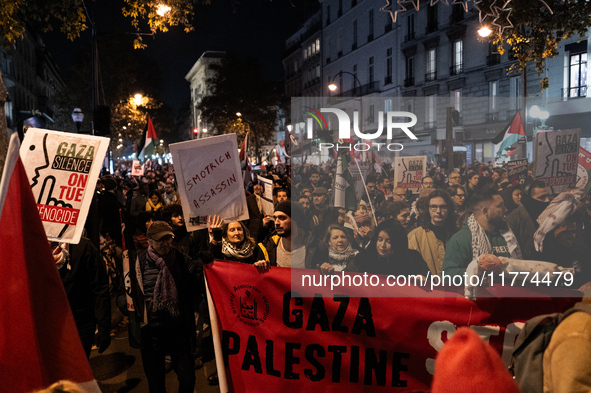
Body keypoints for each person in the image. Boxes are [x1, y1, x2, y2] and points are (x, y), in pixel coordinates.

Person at [131, 221, 203, 393]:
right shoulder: (137, 262)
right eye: (160, 240)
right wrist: (132, 308)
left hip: (178, 330)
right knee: (156, 384)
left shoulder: (182, 260)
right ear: (149, 240)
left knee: (188, 378)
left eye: (168, 239)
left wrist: (208, 257)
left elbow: (198, 282)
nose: (165, 243)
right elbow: (124, 291)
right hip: (151, 333)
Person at [442, 187, 522, 278]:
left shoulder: (508, 235)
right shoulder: (460, 240)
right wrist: (478, 270)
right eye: (500, 206)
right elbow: (447, 275)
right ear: (485, 211)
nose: (505, 209)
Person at [52, 237, 111, 358]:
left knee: (77, 374)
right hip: (50, 329)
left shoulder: (82, 246)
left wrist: (103, 327)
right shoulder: (33, 249)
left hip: (81, 325)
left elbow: (99, 287)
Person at [346, 219, 429, 277]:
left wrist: (423, 279)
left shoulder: (412, 259)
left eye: (389, 241)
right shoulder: (363, 259)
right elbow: (343, 278)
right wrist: (333, 273)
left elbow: (431, 282)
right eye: (380, 239)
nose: (383, 245)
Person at [255, 201, 319, 270]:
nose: (276, 223)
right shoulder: (267, 247)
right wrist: (259, 268)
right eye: (275, 218)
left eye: (282, 218)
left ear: (295, 220)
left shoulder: (314, 247)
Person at [408, 190, 458, 276]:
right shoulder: (415, 236)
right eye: (434, 207)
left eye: (443, 207)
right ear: (428, 209)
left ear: (449, 209)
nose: (438, 211)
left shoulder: (457, 234)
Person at [506, 180, 550, 260]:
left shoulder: (550, 214)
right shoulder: (513, 219)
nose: (547, 200)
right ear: (528, 199)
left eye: (547, 196)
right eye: (542, 197)